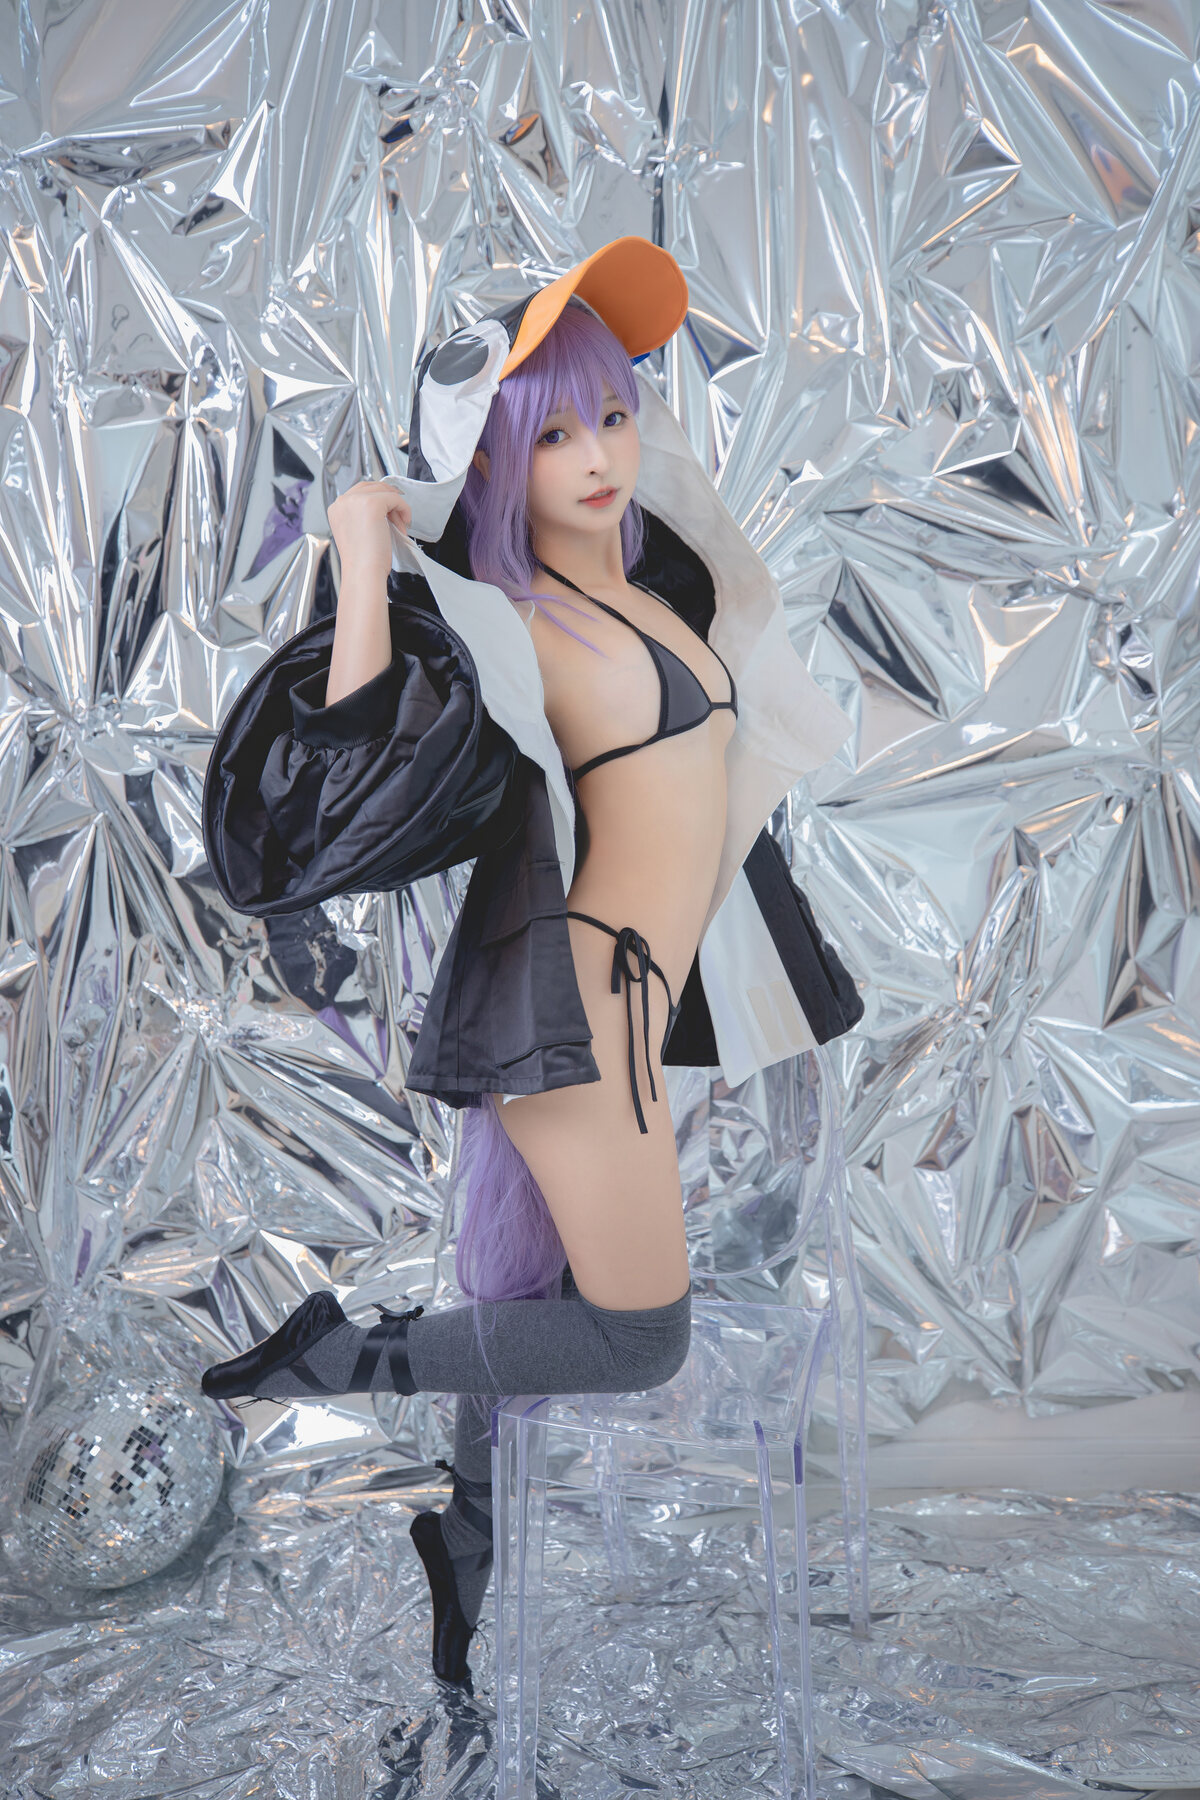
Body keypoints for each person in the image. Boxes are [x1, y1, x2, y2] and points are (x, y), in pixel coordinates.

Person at [199, 238, 861, 1694]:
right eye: (554, 433)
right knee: (636, 1343)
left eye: (612, 415)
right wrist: (363, 552)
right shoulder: (510, 625)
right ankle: (340, 1356)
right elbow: (352, 755)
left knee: (539, 1298)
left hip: (633, 1014)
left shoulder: (655, 587)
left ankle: (468, 1533)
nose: (599, 455)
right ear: (493, 459)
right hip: (576, 1021)